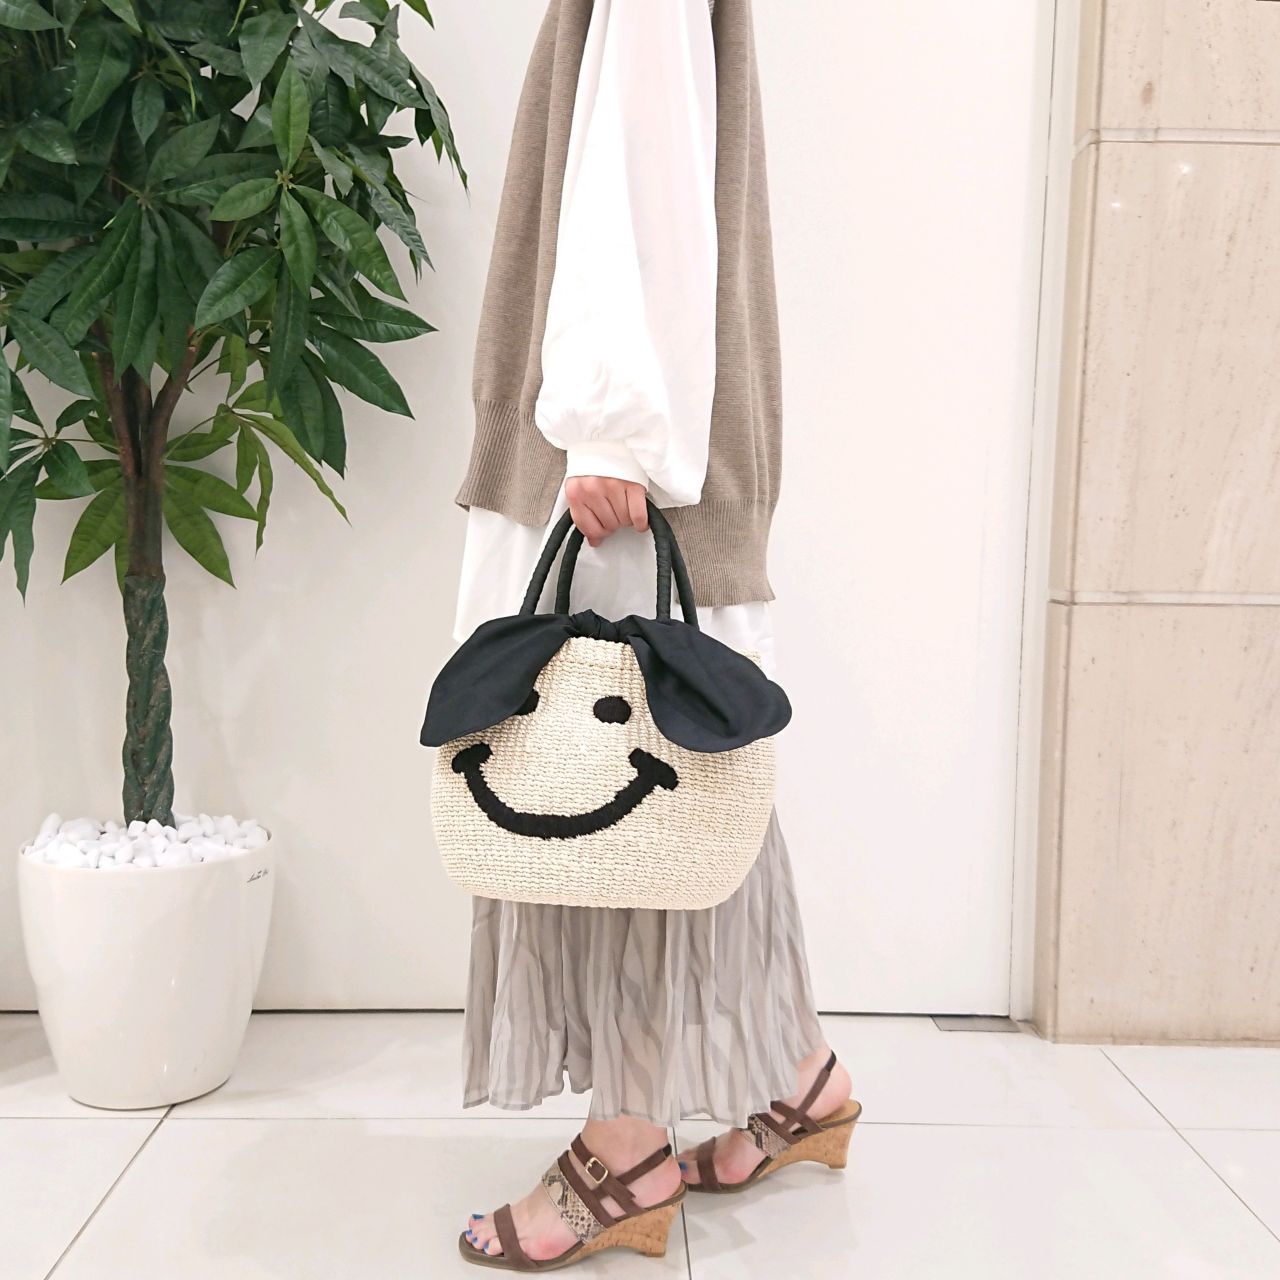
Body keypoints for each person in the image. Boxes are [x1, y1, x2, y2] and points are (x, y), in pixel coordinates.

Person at [450, 0, 859, 1268]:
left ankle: (624, 1152)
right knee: (689, 778)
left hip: (625, 471)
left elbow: (648, 173)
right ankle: (803, 1082)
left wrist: (611, 430)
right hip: (641, 448)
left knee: (622, 796)